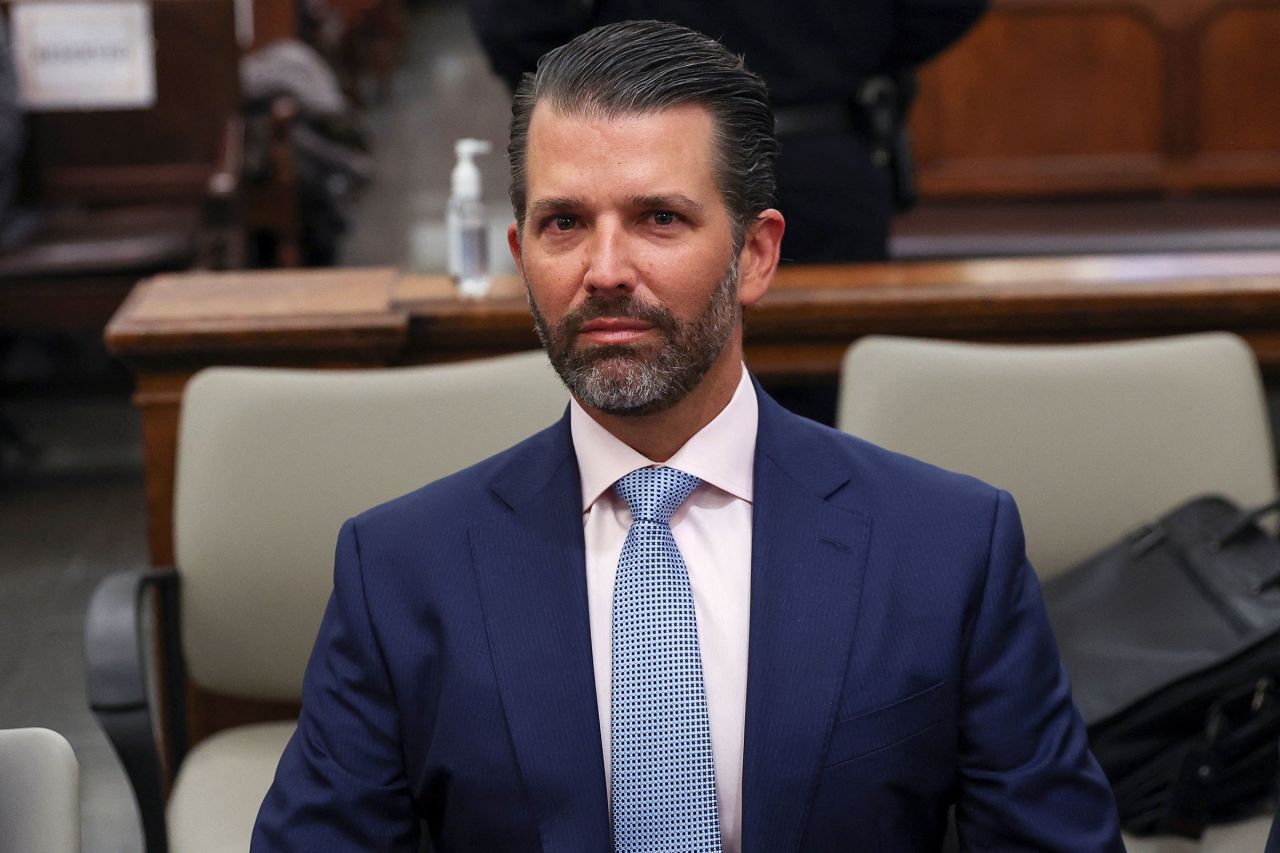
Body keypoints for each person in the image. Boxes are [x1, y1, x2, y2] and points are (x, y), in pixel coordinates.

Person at [253, 20, 1122, 852]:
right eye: (564, 224)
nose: (604, 270)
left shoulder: (946, 547)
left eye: (658, 218)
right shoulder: (402, 570)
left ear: (755, 254)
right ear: (519, 253)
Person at [465, 0, 987, 263]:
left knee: (636, 390)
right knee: (822, 414)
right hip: (821, 150)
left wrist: (595, 89)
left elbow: (513, 22)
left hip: (638, 153)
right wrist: (851, 55)